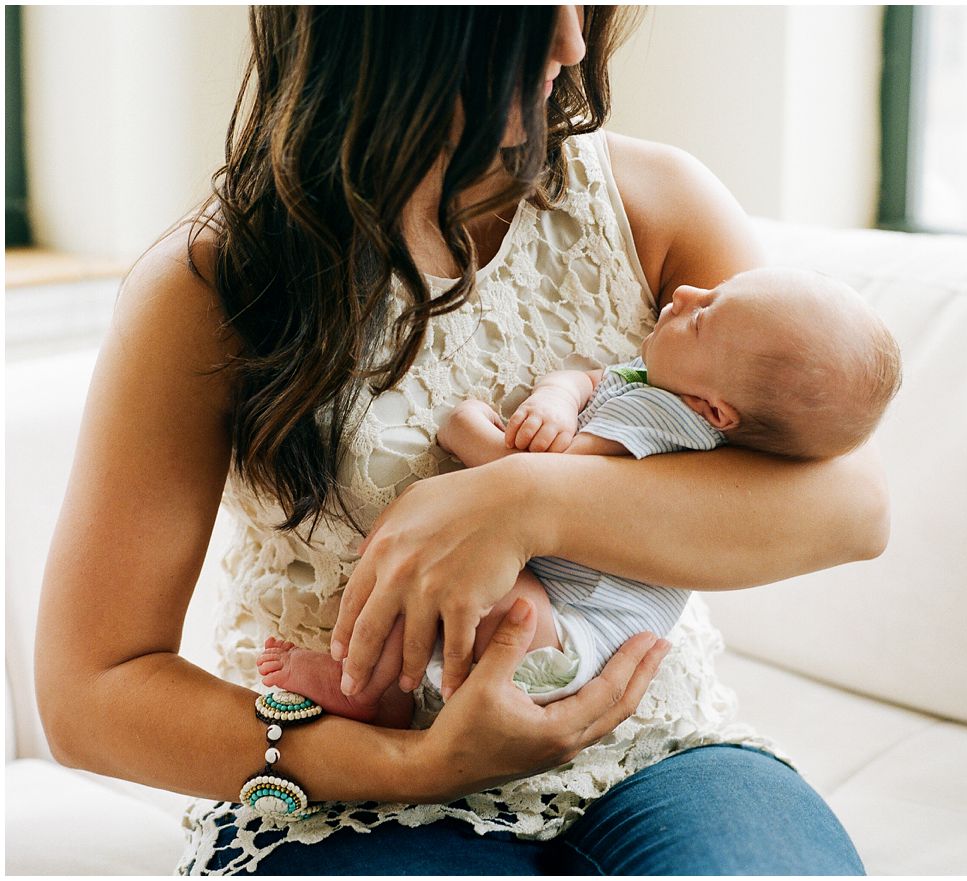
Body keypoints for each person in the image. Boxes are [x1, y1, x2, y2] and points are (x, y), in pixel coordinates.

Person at [35, 6, 886, 874]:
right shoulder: (213, 282)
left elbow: (855, 508)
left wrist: (521, 501)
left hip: (655, 749)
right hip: (357, 792)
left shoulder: (654, 204)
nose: (572, 44)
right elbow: (91, 694)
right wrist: (417, 765)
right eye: (528, 14)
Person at [256, 266, 902, 718]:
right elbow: (584, 378)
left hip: (576, 631)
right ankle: (386, 698)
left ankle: (370, 689)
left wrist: (466, 429)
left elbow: (543, 469)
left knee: (446, 569)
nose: (683, 293)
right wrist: (556, 397)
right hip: (565, 606)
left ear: (715, 410)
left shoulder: (671, 417)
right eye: (711, 290)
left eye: (704, 316)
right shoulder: (658, 381)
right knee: (435, 564)